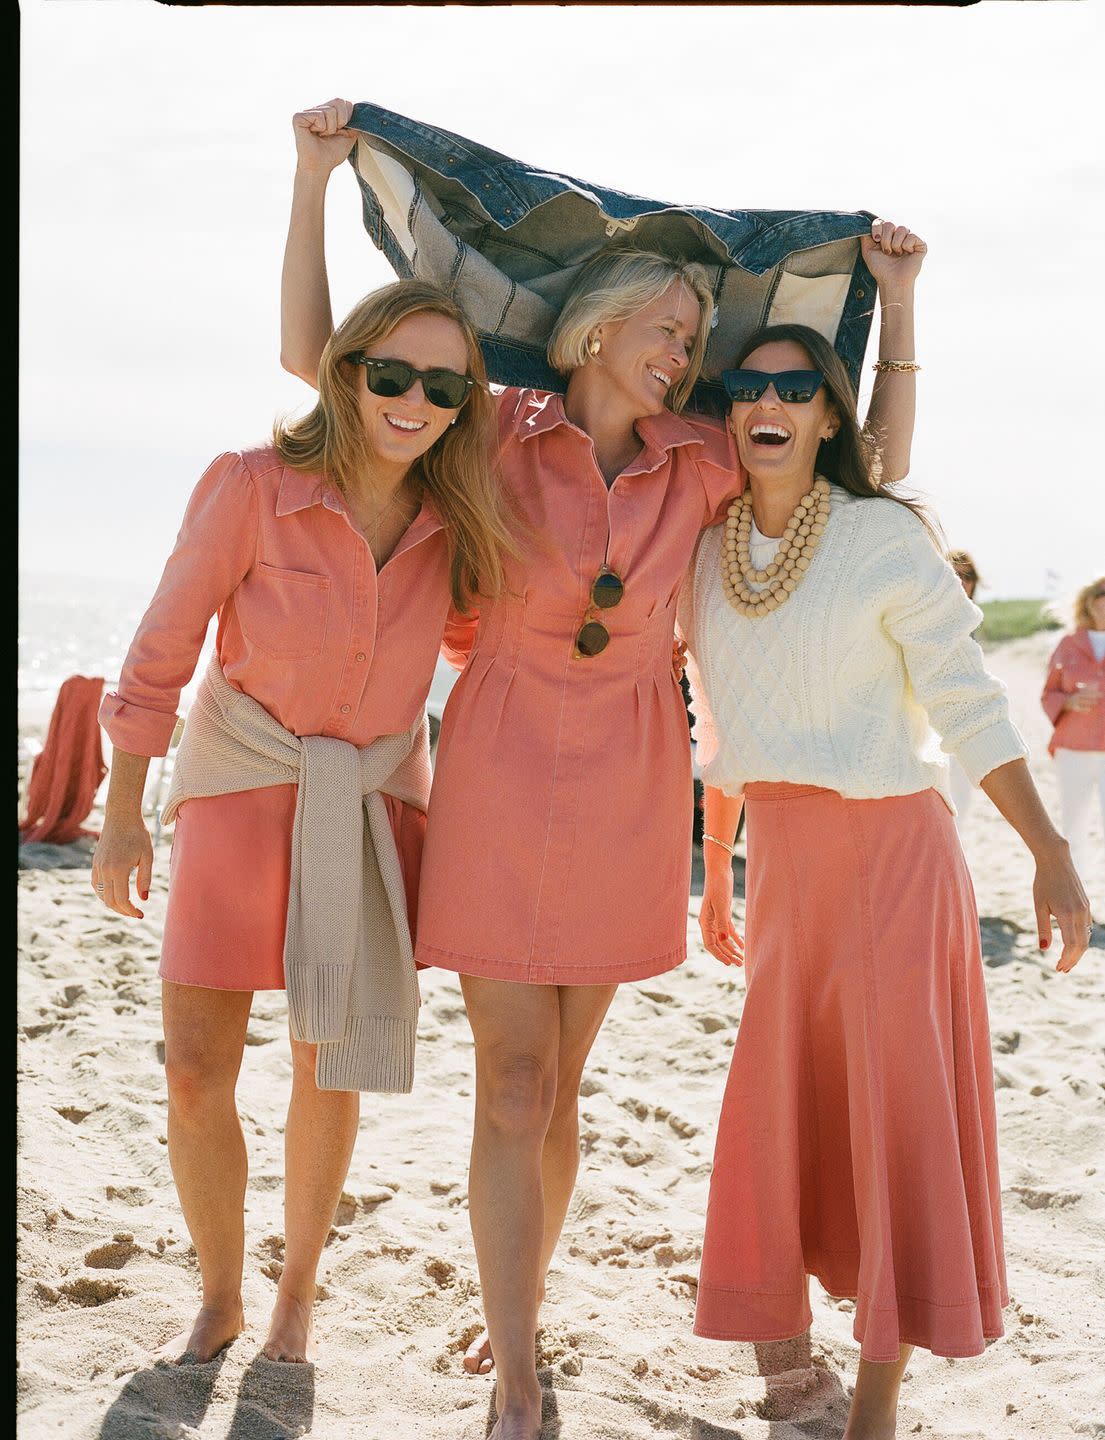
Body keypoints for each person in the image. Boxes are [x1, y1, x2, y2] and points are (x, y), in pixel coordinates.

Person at [281, 97, 922, 1440]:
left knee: (560, 1087)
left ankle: (519, 1302)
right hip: (505, 763)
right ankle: (519, 1376)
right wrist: (312, 175)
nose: (686, 351)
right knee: (512, 1081)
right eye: (666, 331)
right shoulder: (484, 430)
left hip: (639, 776)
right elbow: (314, 361)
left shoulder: (703, 458)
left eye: (696, 336)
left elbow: (866, 467)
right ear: (591, 335)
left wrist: (900, 310)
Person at [92, 278, 516, 1366]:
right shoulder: (249, 485)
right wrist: (124, 814)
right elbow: (161, 649)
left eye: (443, 384)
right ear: (347, 371)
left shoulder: (455, 523)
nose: (412, 400)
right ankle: (223, 1294)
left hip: (371, 807)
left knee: (327, 1061)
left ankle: (297, 1297)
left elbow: (483, 658)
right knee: (196, 1069)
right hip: (239, 788)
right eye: (390, 373)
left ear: (467, 401)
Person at [683, 323, 1092, 1440]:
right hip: (782, 870)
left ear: (827, 414)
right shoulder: (702, 549)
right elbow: (724, 728)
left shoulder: (879, 535)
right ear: (727, 408)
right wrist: (717, 871)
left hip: (888, 861)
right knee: (790, 1109)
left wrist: (1049, 849)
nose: (768, 401)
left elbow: (963, 697)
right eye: (747, 385)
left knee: (891, 1116)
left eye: (795, 386)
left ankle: (873, 1398)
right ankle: (792, 1348)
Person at [1041, 575, 1105, 905]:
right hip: (1073, 750)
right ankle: (1078, 902)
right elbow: (1048, 693)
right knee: (1074, 827)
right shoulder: (1068, 644)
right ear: (1092, 600)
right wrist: (1068, 702)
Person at [948, 550, 982, 834]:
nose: (962, 581)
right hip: (931, 724)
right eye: (955, 573)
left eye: (968, 576)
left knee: (961, 804)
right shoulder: (925, 618)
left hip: (964, 724)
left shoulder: (972, 621)